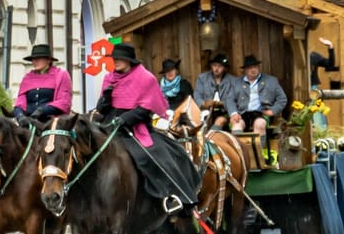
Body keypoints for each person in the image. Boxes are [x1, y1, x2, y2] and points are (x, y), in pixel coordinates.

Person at [98, 43, 201, 213]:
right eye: (114, 58)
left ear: (129, 60)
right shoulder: (109, 78)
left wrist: (125, 119)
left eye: (119, 58)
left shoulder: (145, 78)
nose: (115, 61)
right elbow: (102, 108)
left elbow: (146, 108)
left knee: (153, 156)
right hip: (109, 125)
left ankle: (173, 196)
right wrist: (105, 100)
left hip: (135, 128)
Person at [231, 56, 288, 139]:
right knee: (236, 127)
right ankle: (240, 151)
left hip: (261, 113)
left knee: (259, 124)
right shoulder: (237, 82)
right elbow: (229, 99)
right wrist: (234, 113)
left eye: (255, 67)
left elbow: (282, 98)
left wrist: (273, 110)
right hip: (242, 113)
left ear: (259, 67)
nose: (253, 69)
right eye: (250, 68)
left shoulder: (271, 80)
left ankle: (258, 151)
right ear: (245, 70)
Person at [13, 44, 72, 122]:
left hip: (51, 122)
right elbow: (20, 102)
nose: (35, 61)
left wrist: (42, 111)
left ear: (48, 60)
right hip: (29, 121)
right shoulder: (27, 77)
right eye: (33, 59)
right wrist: (20, 116)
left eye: (38, 58)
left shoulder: (61, 75)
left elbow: (64, 102)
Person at [193, 54, 245, 130]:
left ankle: (211, 138)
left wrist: (222, 104)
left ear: (224, 68)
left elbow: (233, 99)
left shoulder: (233, 80)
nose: (216, 68)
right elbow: (197, 95)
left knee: (220, 120)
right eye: (214, 65)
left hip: (224, 112)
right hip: (206, 111)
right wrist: (204, 104)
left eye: (220, 66)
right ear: (211, 66)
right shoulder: (202, 78)